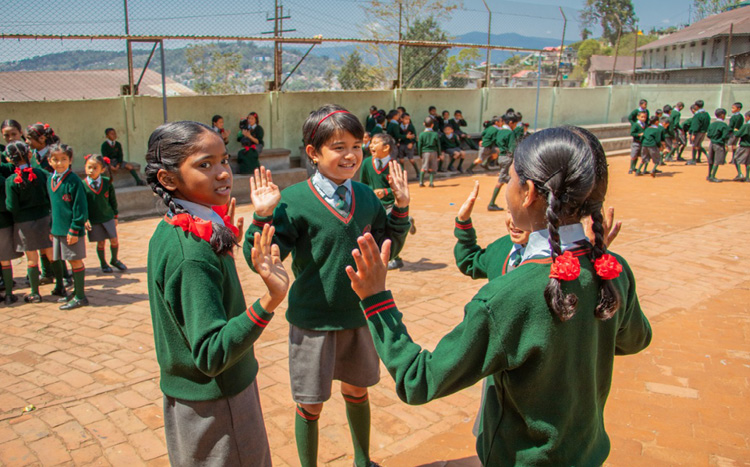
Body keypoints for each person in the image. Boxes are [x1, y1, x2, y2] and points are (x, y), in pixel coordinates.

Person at [345, 126, 652, 466]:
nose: (505, 188)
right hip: (585, 453)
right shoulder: (612, 269)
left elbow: (419, 380)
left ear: (528, 192)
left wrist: (376, 300)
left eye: (509, 179)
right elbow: (634, 339)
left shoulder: (506, 297)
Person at [244, 104, 412, 467]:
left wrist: (400, 209)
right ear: (313, 153)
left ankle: (363, 460)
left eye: (356, 146)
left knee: (357, 390)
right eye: (339, 147)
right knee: (310, 403)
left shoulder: (366, 197)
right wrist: (262, 216)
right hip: (313, 320)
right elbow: (263, 255)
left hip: (359, 315)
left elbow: (387, 248)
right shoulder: (294, 201)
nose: (350, 155)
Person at [144, 121, 287, 466]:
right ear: (168, 178)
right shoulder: (192, 254)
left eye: (224, 160)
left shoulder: (175, 229)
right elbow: (211, 354)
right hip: (220, 404)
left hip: (196, 398)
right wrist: (269, 300)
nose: (223, 173)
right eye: (205, 164)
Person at [4, 142, 66, 302]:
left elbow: (12, 206)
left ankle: (35, 293)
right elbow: (51, 194)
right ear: (29, 155)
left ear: (9, 159)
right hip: (45, 219)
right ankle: (60, 286)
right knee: (51, 254)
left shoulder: (11, 181)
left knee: (32, 259)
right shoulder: (41, 173)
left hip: (24, 224)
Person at [47, 143, 89, 310]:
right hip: (58, 228)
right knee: (65, 259)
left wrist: (75, 229)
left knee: (75, 260)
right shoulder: (50, 179)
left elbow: (80, 207)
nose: (59, 163)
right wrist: (52, 228)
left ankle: (80, 297)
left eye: (63, 159)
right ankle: (76, 292)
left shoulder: (74, 181)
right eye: (55, 159)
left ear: (70, 160)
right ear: (49, 161)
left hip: (71, 230)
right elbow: (52, 207)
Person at [82, 154, 127, 273]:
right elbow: (82, 204)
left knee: (114, 240)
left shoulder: (107, 182)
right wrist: (85, 219)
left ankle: (114, 259)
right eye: (89, 167)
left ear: (102, 169)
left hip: (107, 216)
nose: (91, 170)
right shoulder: (83, 185)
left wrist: (115, 216)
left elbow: (113, 201)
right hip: (94, 219)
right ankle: (103, 263)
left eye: (95, 168)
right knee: (101, 242)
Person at [0, 168, 23, 305]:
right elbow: (8, 205)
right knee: (5, 261)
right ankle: (9, 294)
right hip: (3, 223)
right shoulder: (4, 181)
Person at [487, 112, 517, 211]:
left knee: (505, 180)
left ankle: (498, 203)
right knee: (506, 181)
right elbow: (512, 148)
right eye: (515, 124)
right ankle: (492, 203)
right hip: (508, 158)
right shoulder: (510, 133)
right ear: (511, 122)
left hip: (501, 157)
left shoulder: (499, 131)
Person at [706, 108, 731, 183]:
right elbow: (725, 136)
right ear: (722, 115)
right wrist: (725, 143)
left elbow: (708, 134)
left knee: (711, 160)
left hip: (712, 143)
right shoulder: (723, 125)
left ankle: (709, 175)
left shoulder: (712, 124)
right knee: (717, 160)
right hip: (719, 144)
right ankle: (713, 176)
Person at [417, 116, 441, 188]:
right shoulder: (435, 134)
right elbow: (438, 145)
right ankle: (431, 183)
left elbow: (419, 145)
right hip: (433, 152)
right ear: (432, 125)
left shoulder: (421, 134)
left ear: (424, 124)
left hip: (425, 152)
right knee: (432, 167)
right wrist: (439, 154)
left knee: (424, 167)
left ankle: (421, 182)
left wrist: (420, 154)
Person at [396, 113, 420, 180]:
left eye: (408, 119)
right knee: (401, 160)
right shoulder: (398, 126)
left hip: (408, 144)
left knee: (411, 159)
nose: (407, 121)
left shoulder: (411, 126)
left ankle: (418, 173)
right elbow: (398, 135)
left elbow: (414, 136)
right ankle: (403, 174)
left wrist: (412, 143)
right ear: (401, 119)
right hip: (401, 144)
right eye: (406, 119)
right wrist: (399, 141)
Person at [688, 99, 710, 165]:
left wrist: (693, 134)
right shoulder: (706, 114)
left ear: (696, 106)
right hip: (703, 132)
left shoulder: (697, 115)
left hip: (698, 132)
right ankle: (706, 157)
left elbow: (695, 125)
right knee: (699, 145)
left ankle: (693, 160)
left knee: (694, 145)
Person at [727, 102, 744, 179]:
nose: (732, 109)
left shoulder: (735, 117)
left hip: (732, 133)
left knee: (727, 145)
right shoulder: (740, 116)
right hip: (736, 133)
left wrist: (728, 131)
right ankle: (733, 159)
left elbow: (731, 125)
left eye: (733, 108)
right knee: (733, 146)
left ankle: (724, 158)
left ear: (738, 109)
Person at [732, 111, 750, 182]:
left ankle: (740, 174)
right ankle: (747, 177)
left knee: (736, 159)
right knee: (748, 162)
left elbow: (738, 134)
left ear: (748, 117)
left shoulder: (746, 126)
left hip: (744, 145)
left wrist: (735, 130)